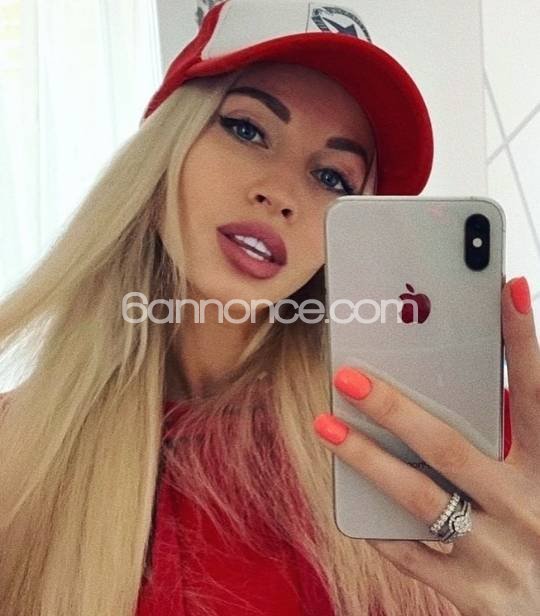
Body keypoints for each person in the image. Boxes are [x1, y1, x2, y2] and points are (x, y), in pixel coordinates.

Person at [1, 1, 538, 615]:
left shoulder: (470, 446)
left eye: (333, 177)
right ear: (167, 149)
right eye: (248, 129)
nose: (280, 193)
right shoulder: (17, 449)